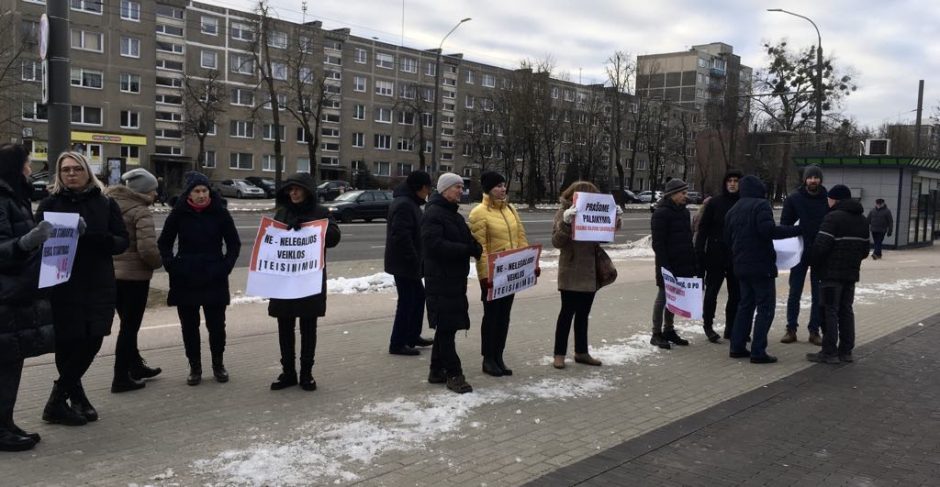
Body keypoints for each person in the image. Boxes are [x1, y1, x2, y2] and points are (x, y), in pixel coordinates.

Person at [37, 152, 129, 425]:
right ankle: (70, 398)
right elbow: (38, 243)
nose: (71, 174)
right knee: (67, 343)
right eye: (65, 170)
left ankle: (60, 396)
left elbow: (122, 241)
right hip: (63, 283)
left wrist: (92, 238)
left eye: (77, 169)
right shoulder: (49, 204)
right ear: (59, 174)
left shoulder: (105, 203)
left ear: (87, 172)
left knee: (94, 338)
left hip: (98, 281)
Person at [158, 171, 240, 386]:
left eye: (204, 190)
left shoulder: (220, 212)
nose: (202, 195)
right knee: (189, 326)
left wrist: (225, 267)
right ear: (189, 194)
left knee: (216, 325)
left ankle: (218, 364)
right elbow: (164, 243)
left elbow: (234, 244)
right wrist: (172, 266)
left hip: (214, 274)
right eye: (197, 191)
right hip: (185, 275)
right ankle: (195, 367)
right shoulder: (178, 213)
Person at [0, 144, 54, 451]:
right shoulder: (2, 199)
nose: (30, 170)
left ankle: (6, 422)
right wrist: (25, 243)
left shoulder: (14, 197)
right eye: (27, 164)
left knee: (11, 362)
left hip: (14, 294)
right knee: (4, 364)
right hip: (5, 294)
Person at [268, 173, 341, 391]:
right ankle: (288, 372)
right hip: (285, 279)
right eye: (290, 190)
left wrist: (313, 228)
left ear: (308, 191)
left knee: (308, 326)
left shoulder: (320, 212)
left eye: (298, 189)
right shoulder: (282, 212)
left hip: (309, 278)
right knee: (285, 326)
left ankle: (306, 373)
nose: (294, 193)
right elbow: (269, 242)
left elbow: (335, 238)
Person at [725, 175, 801, 364]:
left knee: (745, 306)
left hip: (741, 265)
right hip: (761, 266)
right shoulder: (761, 205)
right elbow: (768, 231)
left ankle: (737, 346)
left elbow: (727, 239)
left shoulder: (733, 209)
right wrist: (797, 230)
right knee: (765, 308)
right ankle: (758, 351)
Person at [105, 168, 164, 393]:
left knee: (126, 323)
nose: (155, 194)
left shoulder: (110, 204)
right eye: (153, 190)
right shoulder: (140, 211)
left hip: (112, 274)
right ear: (145, 191)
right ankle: (121, 377)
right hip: (135, 277)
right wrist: (157, 263)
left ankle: (136, 366)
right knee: (130, 327)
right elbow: (147, 249)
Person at [422, 173, 481, 394]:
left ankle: (436, 370)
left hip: (453, 279)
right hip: (440, 279)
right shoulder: (434, 214)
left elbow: (465, 238)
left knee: (447, 327)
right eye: (457, 187)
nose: (461, 190)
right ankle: (454, 373)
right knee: (447, 327)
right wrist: (465, 250)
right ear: (444, 190)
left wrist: (475, 246)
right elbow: (434, 245)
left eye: (461, 187)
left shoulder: (453, 215)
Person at [469, 171, 530, 377]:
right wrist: (485, 276)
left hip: (511, 273)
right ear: (488, 189)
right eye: (497, 186)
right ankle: (488, 358)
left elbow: (521, 237)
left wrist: (528, 265)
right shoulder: (479, 213)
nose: (502, 189)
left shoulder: (511, 209)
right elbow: (481, 248)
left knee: (504, 316)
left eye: (503, 185)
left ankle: (499, 356)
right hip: (492, 275)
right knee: (492, 317)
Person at [806, 185, 870, 364]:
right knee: (846, 310)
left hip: (830, 275)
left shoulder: (832, 218)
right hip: (850, 274)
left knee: (829, 311)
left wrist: (813, 262)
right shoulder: (863, 220)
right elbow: (865, 250)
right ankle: (846, 351)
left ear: (834, 199)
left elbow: (820, 247)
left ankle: (829, 351)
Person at [551, 181, 609, 368]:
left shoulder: (594, 212)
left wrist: (614, 220)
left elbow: (604, 237)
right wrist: (566, 223)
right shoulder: (564, 212)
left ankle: (581, 352)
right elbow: (556, 242)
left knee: (584, 314)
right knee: (566, 314)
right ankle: (559, 354)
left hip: (589, 271)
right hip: (571, 270)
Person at [385, 170, 433, 356]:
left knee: (418, 297)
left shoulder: (409, 202)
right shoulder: (404, 205)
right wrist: (414, 259)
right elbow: (401, 236)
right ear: (421, 188)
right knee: (407, 301)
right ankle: (397, 343)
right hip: (404, 263)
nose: (428, 193)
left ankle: (412, 336)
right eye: (428, 188)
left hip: (408, 262)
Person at [780, 165, 828, 345]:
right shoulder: (794, 199)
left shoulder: (827, 199)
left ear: (820, 180)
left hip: (820, 252)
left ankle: (814, 331)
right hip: (798, 252)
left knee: (818, 294)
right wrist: (800, 230)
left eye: (816, 177)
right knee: (795, 292)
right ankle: (791, 329)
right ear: (805, 180)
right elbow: (785, 225)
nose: (813, 180)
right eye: (810, 177)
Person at [694, 170, 742, 343]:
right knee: (712, 292)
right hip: (715, 255)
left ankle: (731, 327)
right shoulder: (715, 203)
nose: (732, 183)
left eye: (736, 181)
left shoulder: (743, 203)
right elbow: (703, 229)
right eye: (729, 180)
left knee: (736, 294)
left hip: (736, 255)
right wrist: (699, 251)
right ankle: (708, 326)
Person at [649, 179, 697, 349]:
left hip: (682, 262)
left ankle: (669, 329)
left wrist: (692, 261)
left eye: (686, 193)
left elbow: (687, 239)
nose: (686, 196)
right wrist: (665, 266)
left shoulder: (684, 212)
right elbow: (658, 244)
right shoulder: (661, 213)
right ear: (672, 194)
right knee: (663, 297)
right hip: (667, 264)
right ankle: (656, 333)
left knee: (675, 298)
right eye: (683, 193)